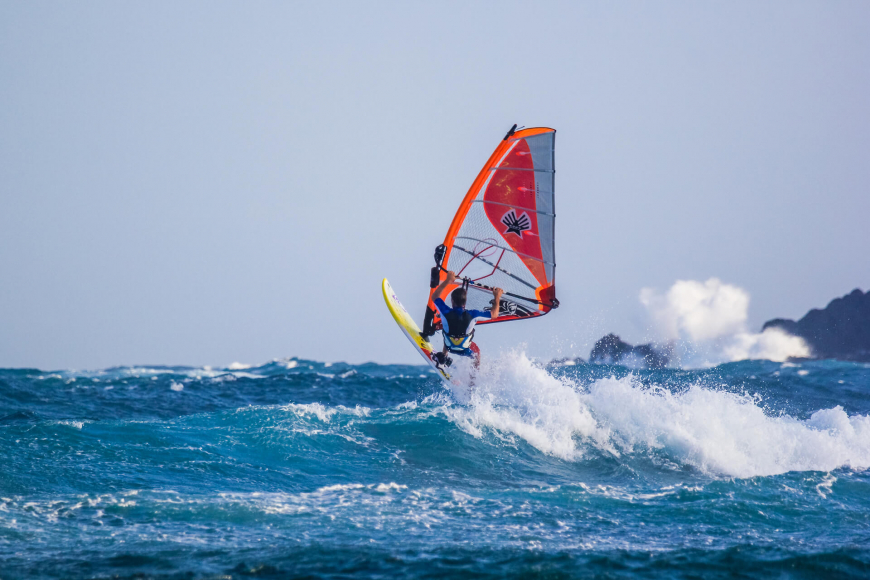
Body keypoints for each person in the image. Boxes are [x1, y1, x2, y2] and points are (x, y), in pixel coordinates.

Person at [431, 271, 503, 367]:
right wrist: (497, 297)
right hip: (465, 350)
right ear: (465, 302)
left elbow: (435, 296)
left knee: (448, 331)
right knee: (477, 354)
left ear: (452, 301)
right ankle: (473, 379)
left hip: (449, 347)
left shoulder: (445, 311)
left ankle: (444, 356)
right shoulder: (473, 314)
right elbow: (494, 314)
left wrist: (448, 280)